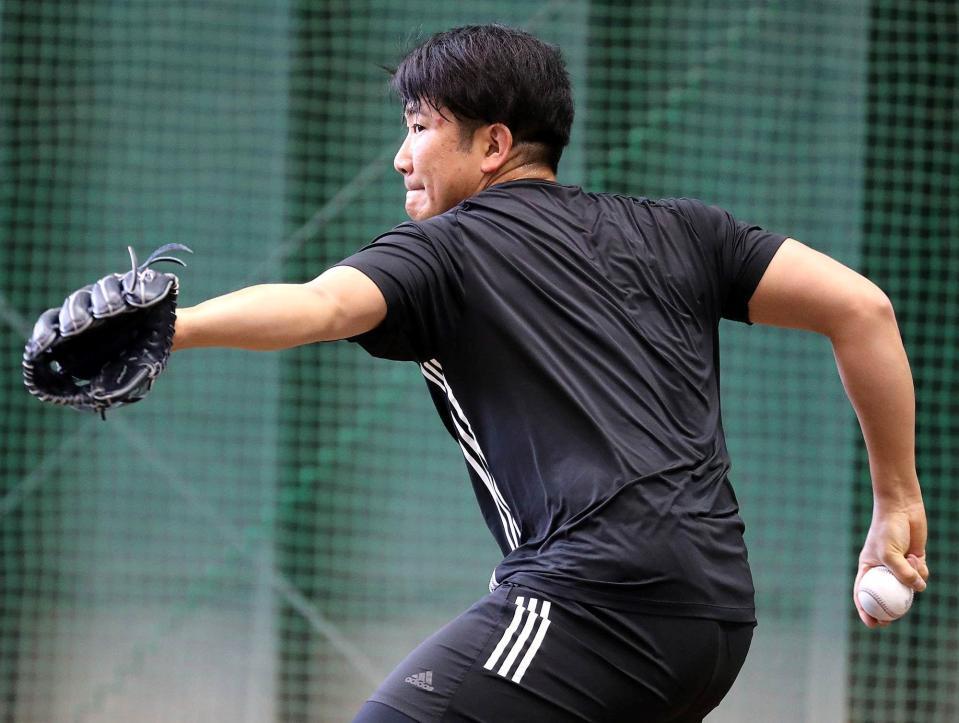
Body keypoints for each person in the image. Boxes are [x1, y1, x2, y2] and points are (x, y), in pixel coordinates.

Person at [172, 24, 929, 723]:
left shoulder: (441, 250)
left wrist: (172, 326)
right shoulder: (684, 230)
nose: (402, 157)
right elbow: (862, 309)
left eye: (419, 128)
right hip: (718, 620)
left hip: (593, 604)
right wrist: (896, 499)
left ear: (493, 144)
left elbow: (319, 305)